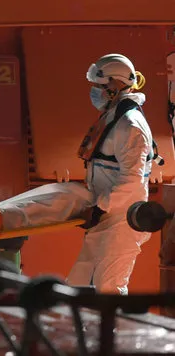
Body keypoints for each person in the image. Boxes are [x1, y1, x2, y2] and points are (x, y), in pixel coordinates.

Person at [68, 53, 158, 295]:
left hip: (120, 222)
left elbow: (132, 180)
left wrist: (100, 208)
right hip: (106, 218)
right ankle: (86, 332)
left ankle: (115, 333)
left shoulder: (130, 124)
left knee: (109, 290)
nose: (95, 91)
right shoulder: (113, 117)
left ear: (116, 84)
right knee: (78, 286)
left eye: (99, 85)